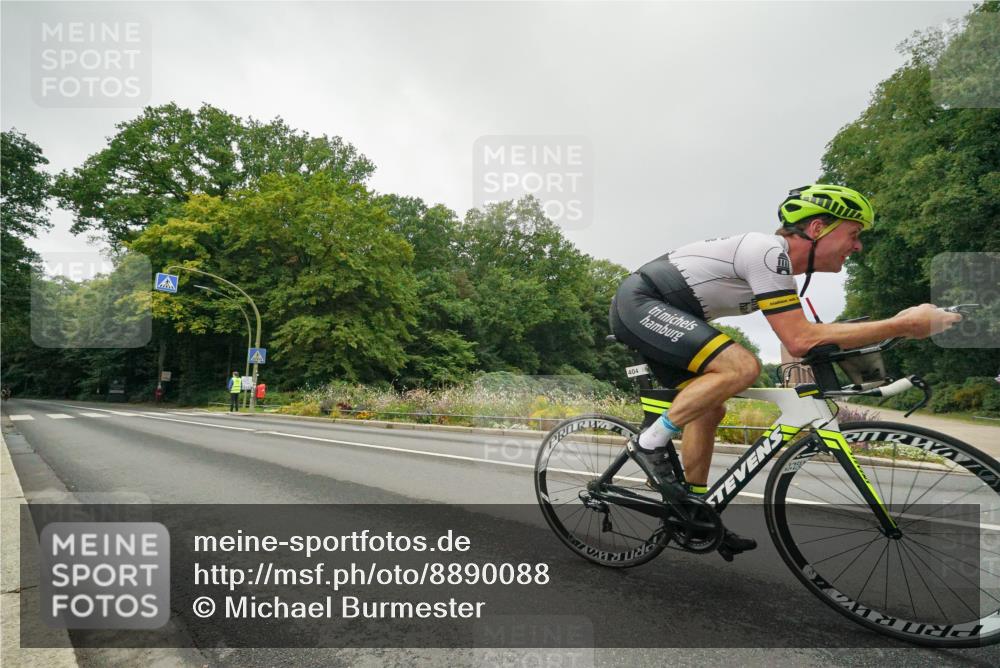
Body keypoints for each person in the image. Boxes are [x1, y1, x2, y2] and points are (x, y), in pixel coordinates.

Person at [609, 184, 962, 557]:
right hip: (641, 303)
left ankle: (692, 512)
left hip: (673, 314)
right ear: (817, 229)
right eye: (854, 233)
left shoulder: (782, 276)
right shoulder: (767, 252)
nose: (857, 246)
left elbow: (805, 340)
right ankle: (648, 444)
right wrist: (902, 324)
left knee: (709, 407)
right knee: (742, 367)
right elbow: (799, 339)